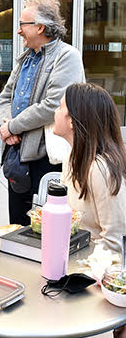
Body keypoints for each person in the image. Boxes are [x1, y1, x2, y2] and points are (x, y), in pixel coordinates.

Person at [0, 0, 85, 226]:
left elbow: (53, 105)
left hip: (47, 160)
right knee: (16, 224)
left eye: (22, 25)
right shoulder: (25, 59)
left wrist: (11, 127)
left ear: (41, 27)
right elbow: (4, 97)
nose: (18, 31)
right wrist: (8, 127)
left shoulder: (67, 57)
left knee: (44, 228)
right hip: (17, 154)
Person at [54, 83, 126, 253]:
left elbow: (116, 242)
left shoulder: (101, 169)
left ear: (72, 120)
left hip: (99, 269)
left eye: (60, 107)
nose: (55, 112)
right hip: (75, 256)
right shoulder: (70, 159)